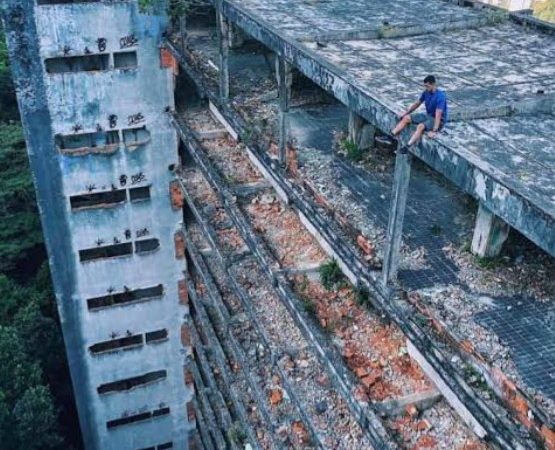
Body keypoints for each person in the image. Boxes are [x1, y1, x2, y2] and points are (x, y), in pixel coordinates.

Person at [391, 75, 448, 148]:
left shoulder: (440, 96)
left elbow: (438, 114)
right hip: (428, 116)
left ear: (433, 84)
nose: (426, 88)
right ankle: (391, 135)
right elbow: (417, 103)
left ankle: (407, 146)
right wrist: (405, 113)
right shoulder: (426, 92)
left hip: (438, 121)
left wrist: (434, 131)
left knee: (420, 126)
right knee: (406, 118)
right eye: (425, 86)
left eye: (427, 86)